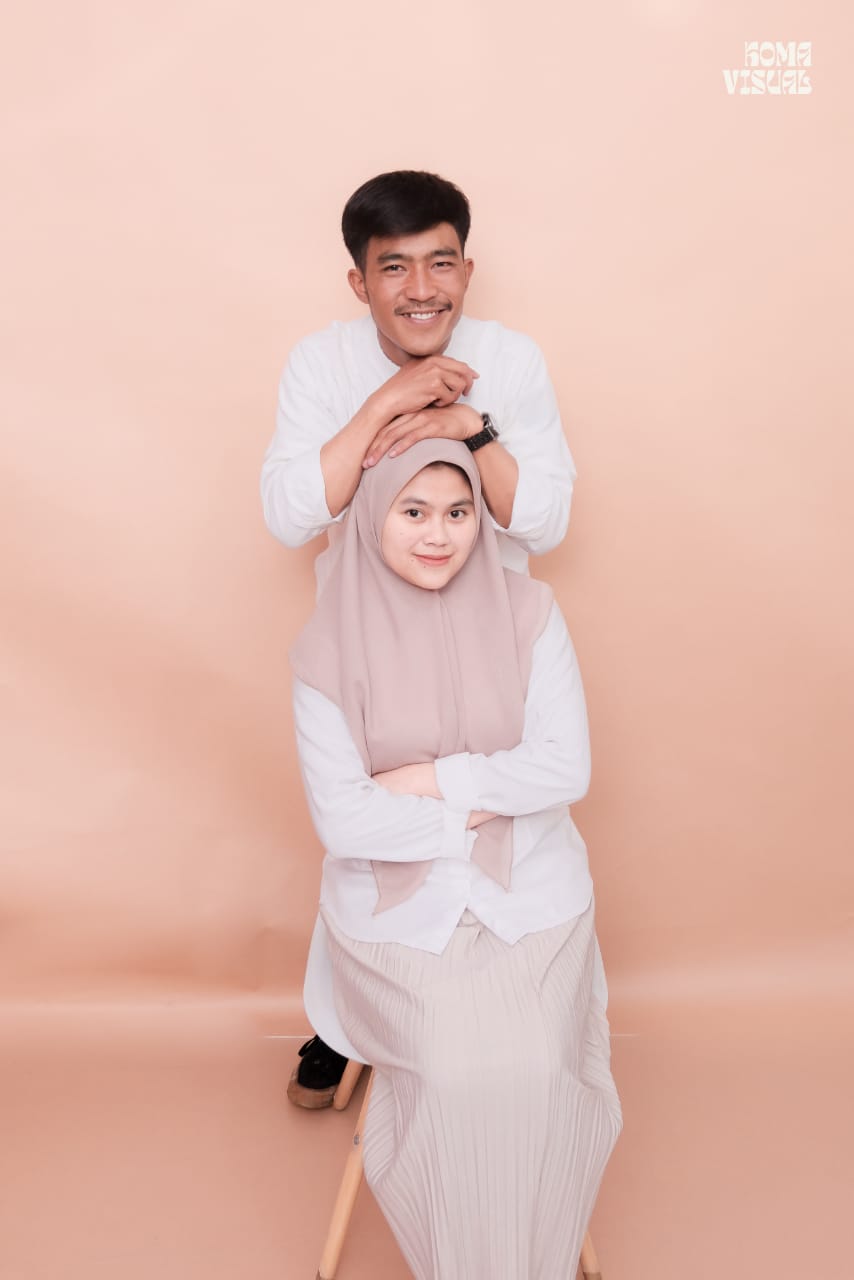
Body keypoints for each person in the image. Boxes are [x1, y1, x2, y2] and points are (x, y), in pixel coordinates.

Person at [262, 169, 576, 1105]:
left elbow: (545, 520)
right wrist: (387, 407)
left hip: (489, 628)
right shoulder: (321, 363)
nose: (421, 288)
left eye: (441, 262)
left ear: (467, 269)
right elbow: (288, 513)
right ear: (359, 281)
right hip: (368, 630)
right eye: (393, 267)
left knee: (492, 811)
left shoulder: (511, 358)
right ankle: (345, 1018)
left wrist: (471, 429)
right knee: (362, 832)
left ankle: (493, 992)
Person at [289, 438, 622, 1280]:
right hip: (393, 918)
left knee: (540, 1069)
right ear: (374, 515)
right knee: (454, 1072)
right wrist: (483, 809)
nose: (439, 534)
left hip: (535, 900)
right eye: (414, 511)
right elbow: (343, 820)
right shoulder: (324, 649)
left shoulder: (531, 615)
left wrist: (428, 782)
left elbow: (566, 769)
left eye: (458, 512)